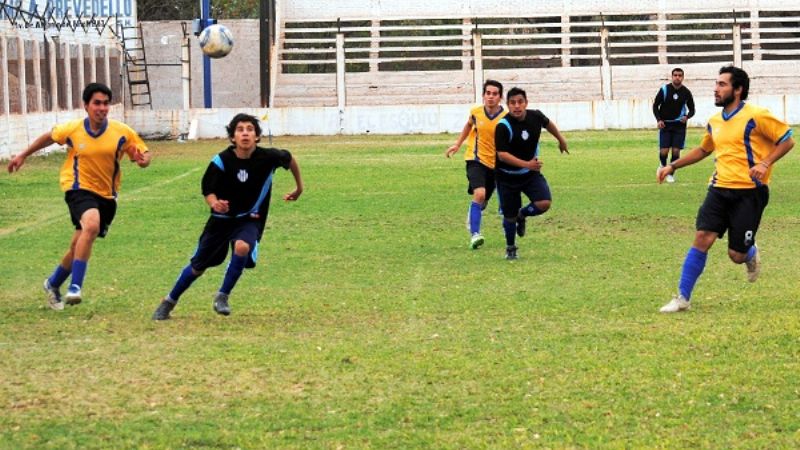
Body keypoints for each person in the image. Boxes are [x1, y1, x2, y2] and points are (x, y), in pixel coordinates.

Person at [657, 66, 794, 313]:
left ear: (738, 89)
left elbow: (787, 139)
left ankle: (749, 252)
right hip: (719, 189)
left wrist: (765, 163)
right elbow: (703, 150)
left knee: (735, 255)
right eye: (716, 84)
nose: (716, 89)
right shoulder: (715, 121)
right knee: (702, 238)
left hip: (750, 192)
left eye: (722, 84)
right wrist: (672, 166)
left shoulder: (757, 115)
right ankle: (682, 298)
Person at [6, 82, 150, 311]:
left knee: (78, 245)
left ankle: (53, 283)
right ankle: (75, 287)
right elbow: (50, 137)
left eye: (105, 103)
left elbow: (141, 153)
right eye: (97, 103)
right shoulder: (73, 129)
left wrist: (143, 160)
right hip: (77, 188)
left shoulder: (122, 132)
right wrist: (23, 154)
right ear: (86, 106)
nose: (102, 108)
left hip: (107, 196)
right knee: (90, 226)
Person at [152, 113, 303, 320]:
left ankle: (222, 296)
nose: (245, 133)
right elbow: (208, 189)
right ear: (232, 137)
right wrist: (214, 203)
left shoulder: (269, 157)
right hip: (221, 222)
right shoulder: (221, 161)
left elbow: (290, 158)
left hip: (250, 218)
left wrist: (299, 188)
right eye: (240, 130)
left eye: (250, 129)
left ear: (257, 136)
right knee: (198, 267)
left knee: (242, 246)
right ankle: (168, 301)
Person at [494, 87, 569, 260]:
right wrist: (527, 164)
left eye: (520, 102)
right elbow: (502, 155)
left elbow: (548, 123)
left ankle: (523, 214)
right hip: (506, 176)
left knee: (544, 203)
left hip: (529, 174)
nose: (517, 106)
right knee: (509, 216)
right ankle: (511, 248)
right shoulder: (503, 126)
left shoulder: (535, 116)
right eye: (512, 103)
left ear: (526, 103)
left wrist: (561, 139)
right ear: (508, 105)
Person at [445, 80, 507, 249]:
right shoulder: (476, 112)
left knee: (483, 201)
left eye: (495, 94)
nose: (491, 97)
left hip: (495, 164)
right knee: (479, 195)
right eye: (488, 93)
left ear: (500, 97)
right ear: (483, 95)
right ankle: (475, 234)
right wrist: (457, 144)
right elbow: (468, 125)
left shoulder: (505, 118)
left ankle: (473, 215)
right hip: (475, 159)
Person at [653, 67, 695, 183]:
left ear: (683, 77)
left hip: (679, 126)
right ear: (672, 77)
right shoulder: (664, 90)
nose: (677, 77)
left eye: (680, 75)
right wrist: (659, 120)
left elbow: (692, 110)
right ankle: (662, 164)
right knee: (664, 151)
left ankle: (670, 174)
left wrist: (687, 117)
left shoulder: (686, 92)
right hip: (665, 125)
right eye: (675, 75)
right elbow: (655, 105)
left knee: (676, 151)